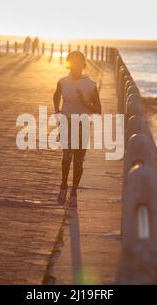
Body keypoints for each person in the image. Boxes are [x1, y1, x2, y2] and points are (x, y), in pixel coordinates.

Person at [53, 51, 102, 209]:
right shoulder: (62, 81)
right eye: (72, 62)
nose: (75, 65)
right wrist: (56, 110)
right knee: (66, 157)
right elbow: (56, 95)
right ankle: (63, 186)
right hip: (66, 122)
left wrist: (84, 102)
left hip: (83, 124)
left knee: (78, 161)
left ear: (83, 64)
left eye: (79, 62)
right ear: (69, 63)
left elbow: (98, 109)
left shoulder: (91, 84)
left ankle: (74, 193)